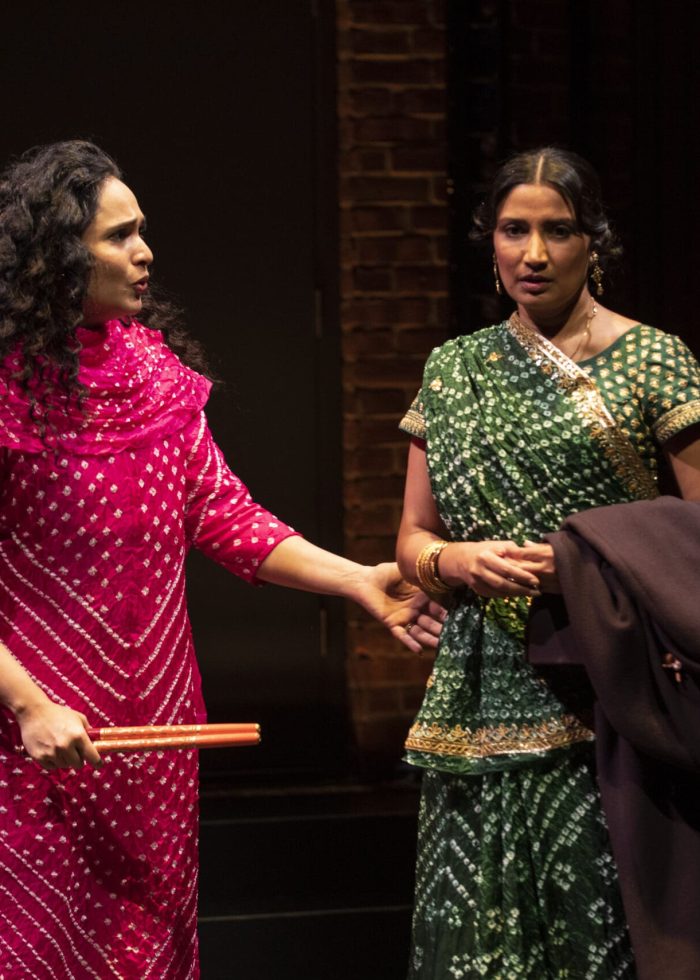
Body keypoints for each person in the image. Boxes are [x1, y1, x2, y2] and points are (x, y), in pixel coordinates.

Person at [0, 139, 443, 979]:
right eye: (119, 237)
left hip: (160, 720)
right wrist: (26, 706)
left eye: (143, 232)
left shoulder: (156, 372)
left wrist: (357, 581)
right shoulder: (7, 389)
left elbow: (224, 516)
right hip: (36, 727)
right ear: (60, 255)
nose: (145, 253)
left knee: (150, 944)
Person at [396, 146, 700, 978]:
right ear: (489, 243)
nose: (534, 253)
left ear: (592, 241)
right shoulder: (454, 369)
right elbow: (412, 540)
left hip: (608, 682)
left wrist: (587, 566)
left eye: (558, 231)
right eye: (514, 230)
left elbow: (696, 540)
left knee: (598, 922)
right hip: (481, 682)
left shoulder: (653, 360)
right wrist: (454, 561)